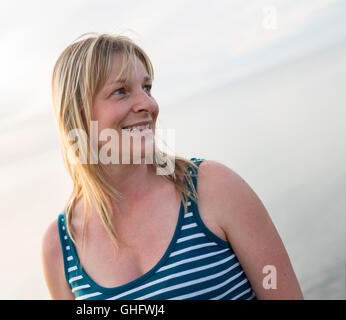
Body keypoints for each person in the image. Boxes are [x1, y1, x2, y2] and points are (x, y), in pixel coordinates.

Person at [41, 32, 303, 300]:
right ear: (79, 114)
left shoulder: (213, 188)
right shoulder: (60, 247)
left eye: (147, 87)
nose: (148, 104)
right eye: (121, 91)